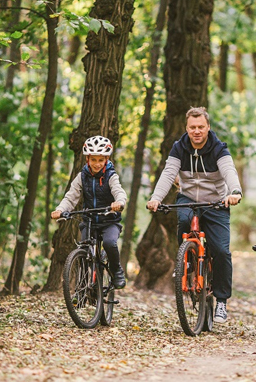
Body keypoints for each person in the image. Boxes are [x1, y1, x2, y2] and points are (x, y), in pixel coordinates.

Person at [146, 107, 242, 323]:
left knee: (221, 251)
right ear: (186, 128)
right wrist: (156, 198)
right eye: (192, 127)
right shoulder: (179, 148)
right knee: (184, 221)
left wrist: (235, 192)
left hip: (216, 202)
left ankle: (221, 301)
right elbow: (168, 173)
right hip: (188, 198)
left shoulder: (219, 149)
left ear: (208, 127)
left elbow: (229, 171)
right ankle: (185, 261)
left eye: (201, 127)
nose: (196, 131)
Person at [51, 136, 128, 289]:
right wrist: (60, 210)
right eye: (93, 159)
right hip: (90, 220)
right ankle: (83, 286)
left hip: (109, 221)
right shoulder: (82, 176)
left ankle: (116, 271)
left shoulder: (111, 176)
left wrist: (119, 202)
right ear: (87, 159)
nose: (97, 163)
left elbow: (119, 191)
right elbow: (71, 196)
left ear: (106, 159)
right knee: (84, 250)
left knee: (109, 243)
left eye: (101, 160)